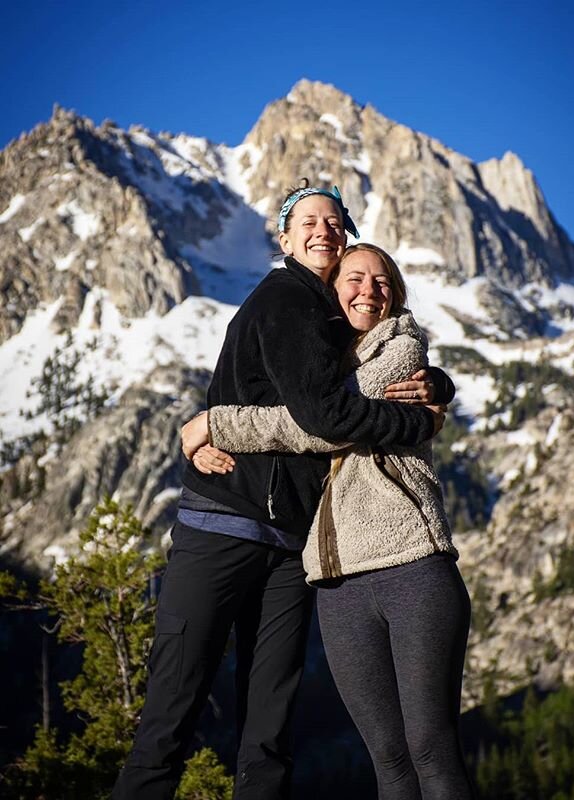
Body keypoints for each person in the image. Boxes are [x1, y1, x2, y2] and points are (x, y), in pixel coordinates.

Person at [113, 184, 443, 800]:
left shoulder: (327, 315)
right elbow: (325, 417)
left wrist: (435, 387)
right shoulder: (287, 300)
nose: (324, 229)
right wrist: (416, 422)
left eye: (335, 220)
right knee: (180, 713)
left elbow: (364, 371)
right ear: (284, 240)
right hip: (224, 526)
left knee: (265, 726)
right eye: (308, 221)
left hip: (290, 545)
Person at [183, 243, 476, 799]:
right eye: (355, 279)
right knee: (387, 759)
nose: (370, 289)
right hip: (338, 583)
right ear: (331, 292)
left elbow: (319, 424)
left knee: (431, 748)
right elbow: (302, 404)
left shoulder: (400, 346)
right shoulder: (316, 357)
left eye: (383, 281)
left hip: (410, 566)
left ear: (397, 296)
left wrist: (213, 424)